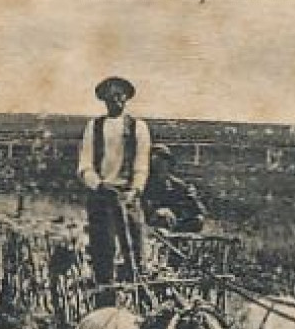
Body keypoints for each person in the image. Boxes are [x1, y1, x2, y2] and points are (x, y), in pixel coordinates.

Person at [77, 75, 152, 303]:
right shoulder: (94, 126)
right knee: (103, 250)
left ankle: (136, 300)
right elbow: (85, 165)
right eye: (110, 97)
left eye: (119, 96)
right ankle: (104, 301)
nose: (115, 100)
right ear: (104, 100)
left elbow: (141, 165)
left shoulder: (138, 127)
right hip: (101, 196)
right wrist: (98, 185)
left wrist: (135, 190)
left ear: (126, 98)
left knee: (135, 250)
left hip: (127, 196)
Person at [142, 145, 206, 234]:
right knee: (162, 216)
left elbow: (198, 211)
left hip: (174, 223)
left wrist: (193, 198)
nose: (159, 163)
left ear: (168, 163)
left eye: (163, 159)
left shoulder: (177, 185)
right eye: (155, 159)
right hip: (149, 225)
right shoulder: (143, 184)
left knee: (198, 220)